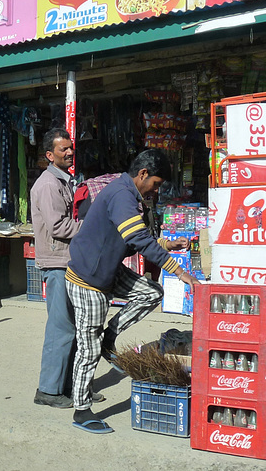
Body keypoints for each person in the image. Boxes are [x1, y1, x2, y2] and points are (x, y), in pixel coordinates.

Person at [65, 148, 200, 433]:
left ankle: (109, 335)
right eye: (156, 184)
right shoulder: (122, 194)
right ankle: (81, 410)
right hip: (87, 279)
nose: (156, 190)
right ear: (142, 174)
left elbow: (130, 241)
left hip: (107, 271)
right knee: (87, 349)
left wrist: (165, 246)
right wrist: (178, 270)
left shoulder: (129, 193)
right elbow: (136, 237)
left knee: (151, 292)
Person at [30, 128, 82, 408]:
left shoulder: (64, 181)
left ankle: (72, 386)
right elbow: (59, 226)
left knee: (73, 327)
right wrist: (90, 228)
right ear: (50, 155)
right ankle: (48, 390)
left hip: (67, 262)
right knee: (61, 329)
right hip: (57, 263)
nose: (70, 152)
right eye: (63, 149)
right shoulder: (49, 184)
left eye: (70, 147)